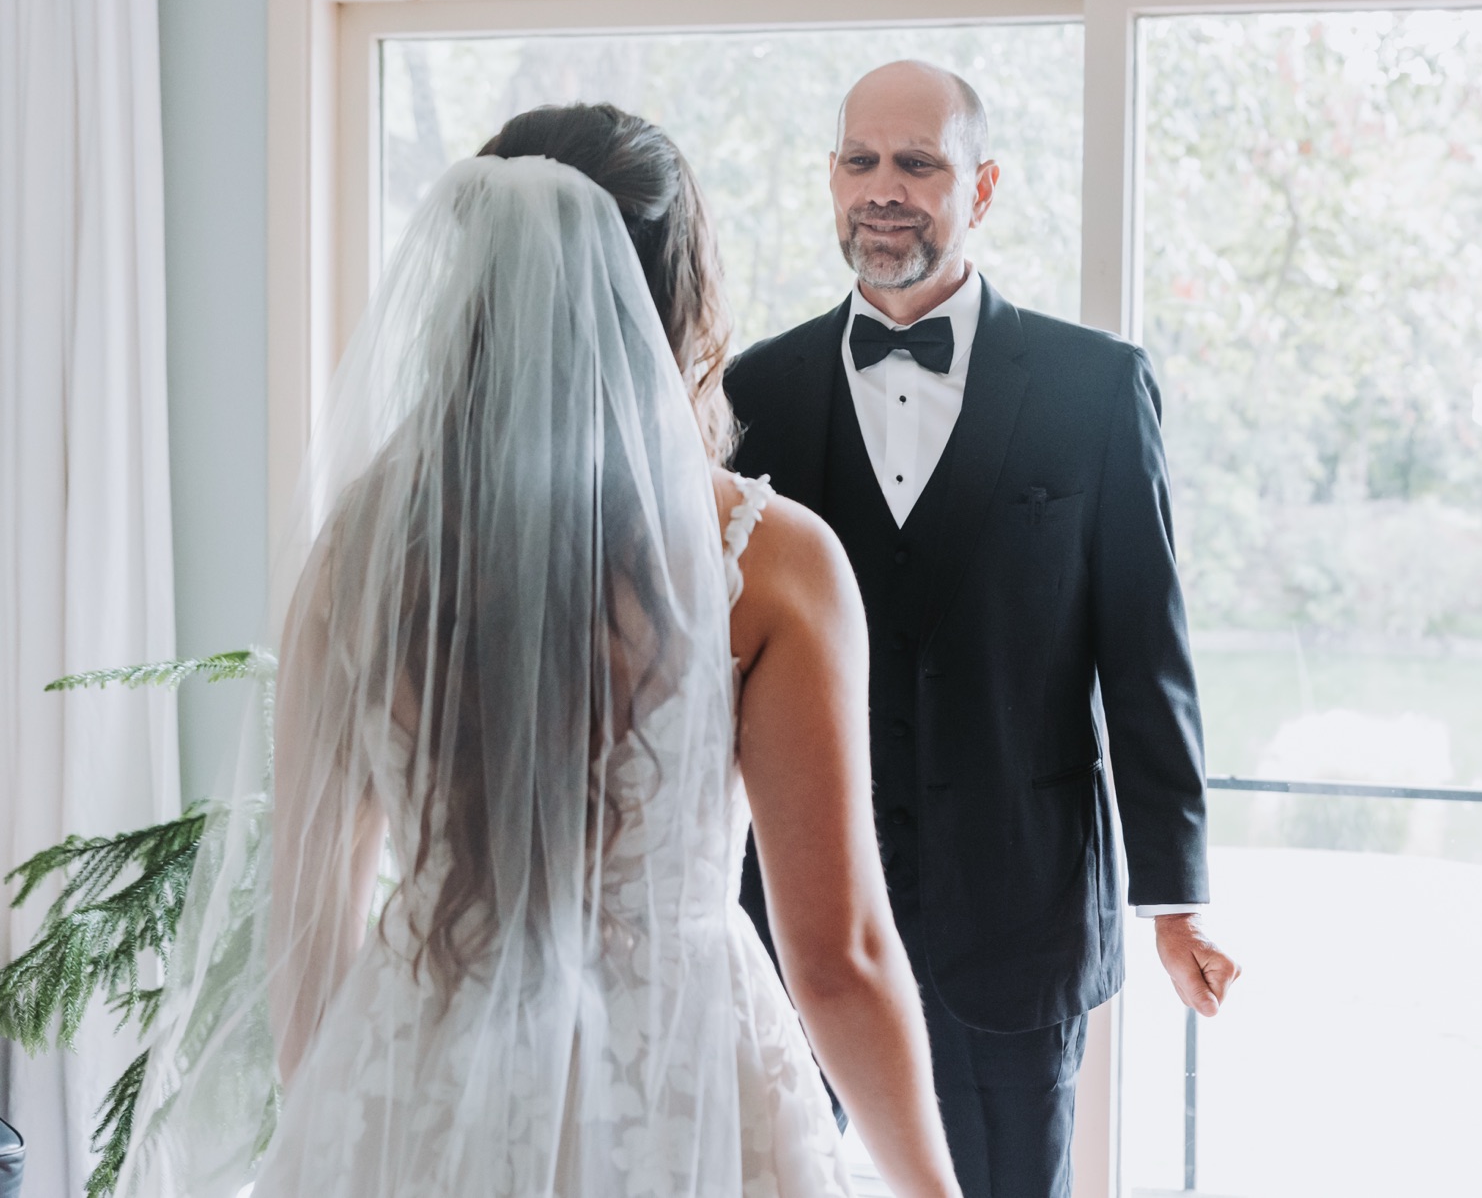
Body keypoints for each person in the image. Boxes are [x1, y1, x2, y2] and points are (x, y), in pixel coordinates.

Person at [118, 106, 960, 1198]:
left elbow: (308, 914)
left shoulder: (365, 548)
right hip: (677, 1096)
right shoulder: (769, 562)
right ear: (678, 306)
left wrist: (346, 1128)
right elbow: (838, 959)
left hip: (422, 1074)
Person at [728, 62, 1242, 1198]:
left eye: (917, 163)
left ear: (984, 185)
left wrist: (1175, 899)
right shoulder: (753, 393)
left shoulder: (1094, 387)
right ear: (830, 177)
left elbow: (1145, 655)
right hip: (793, 919)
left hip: (1018, 916)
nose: (883, 188)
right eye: (860, 160)